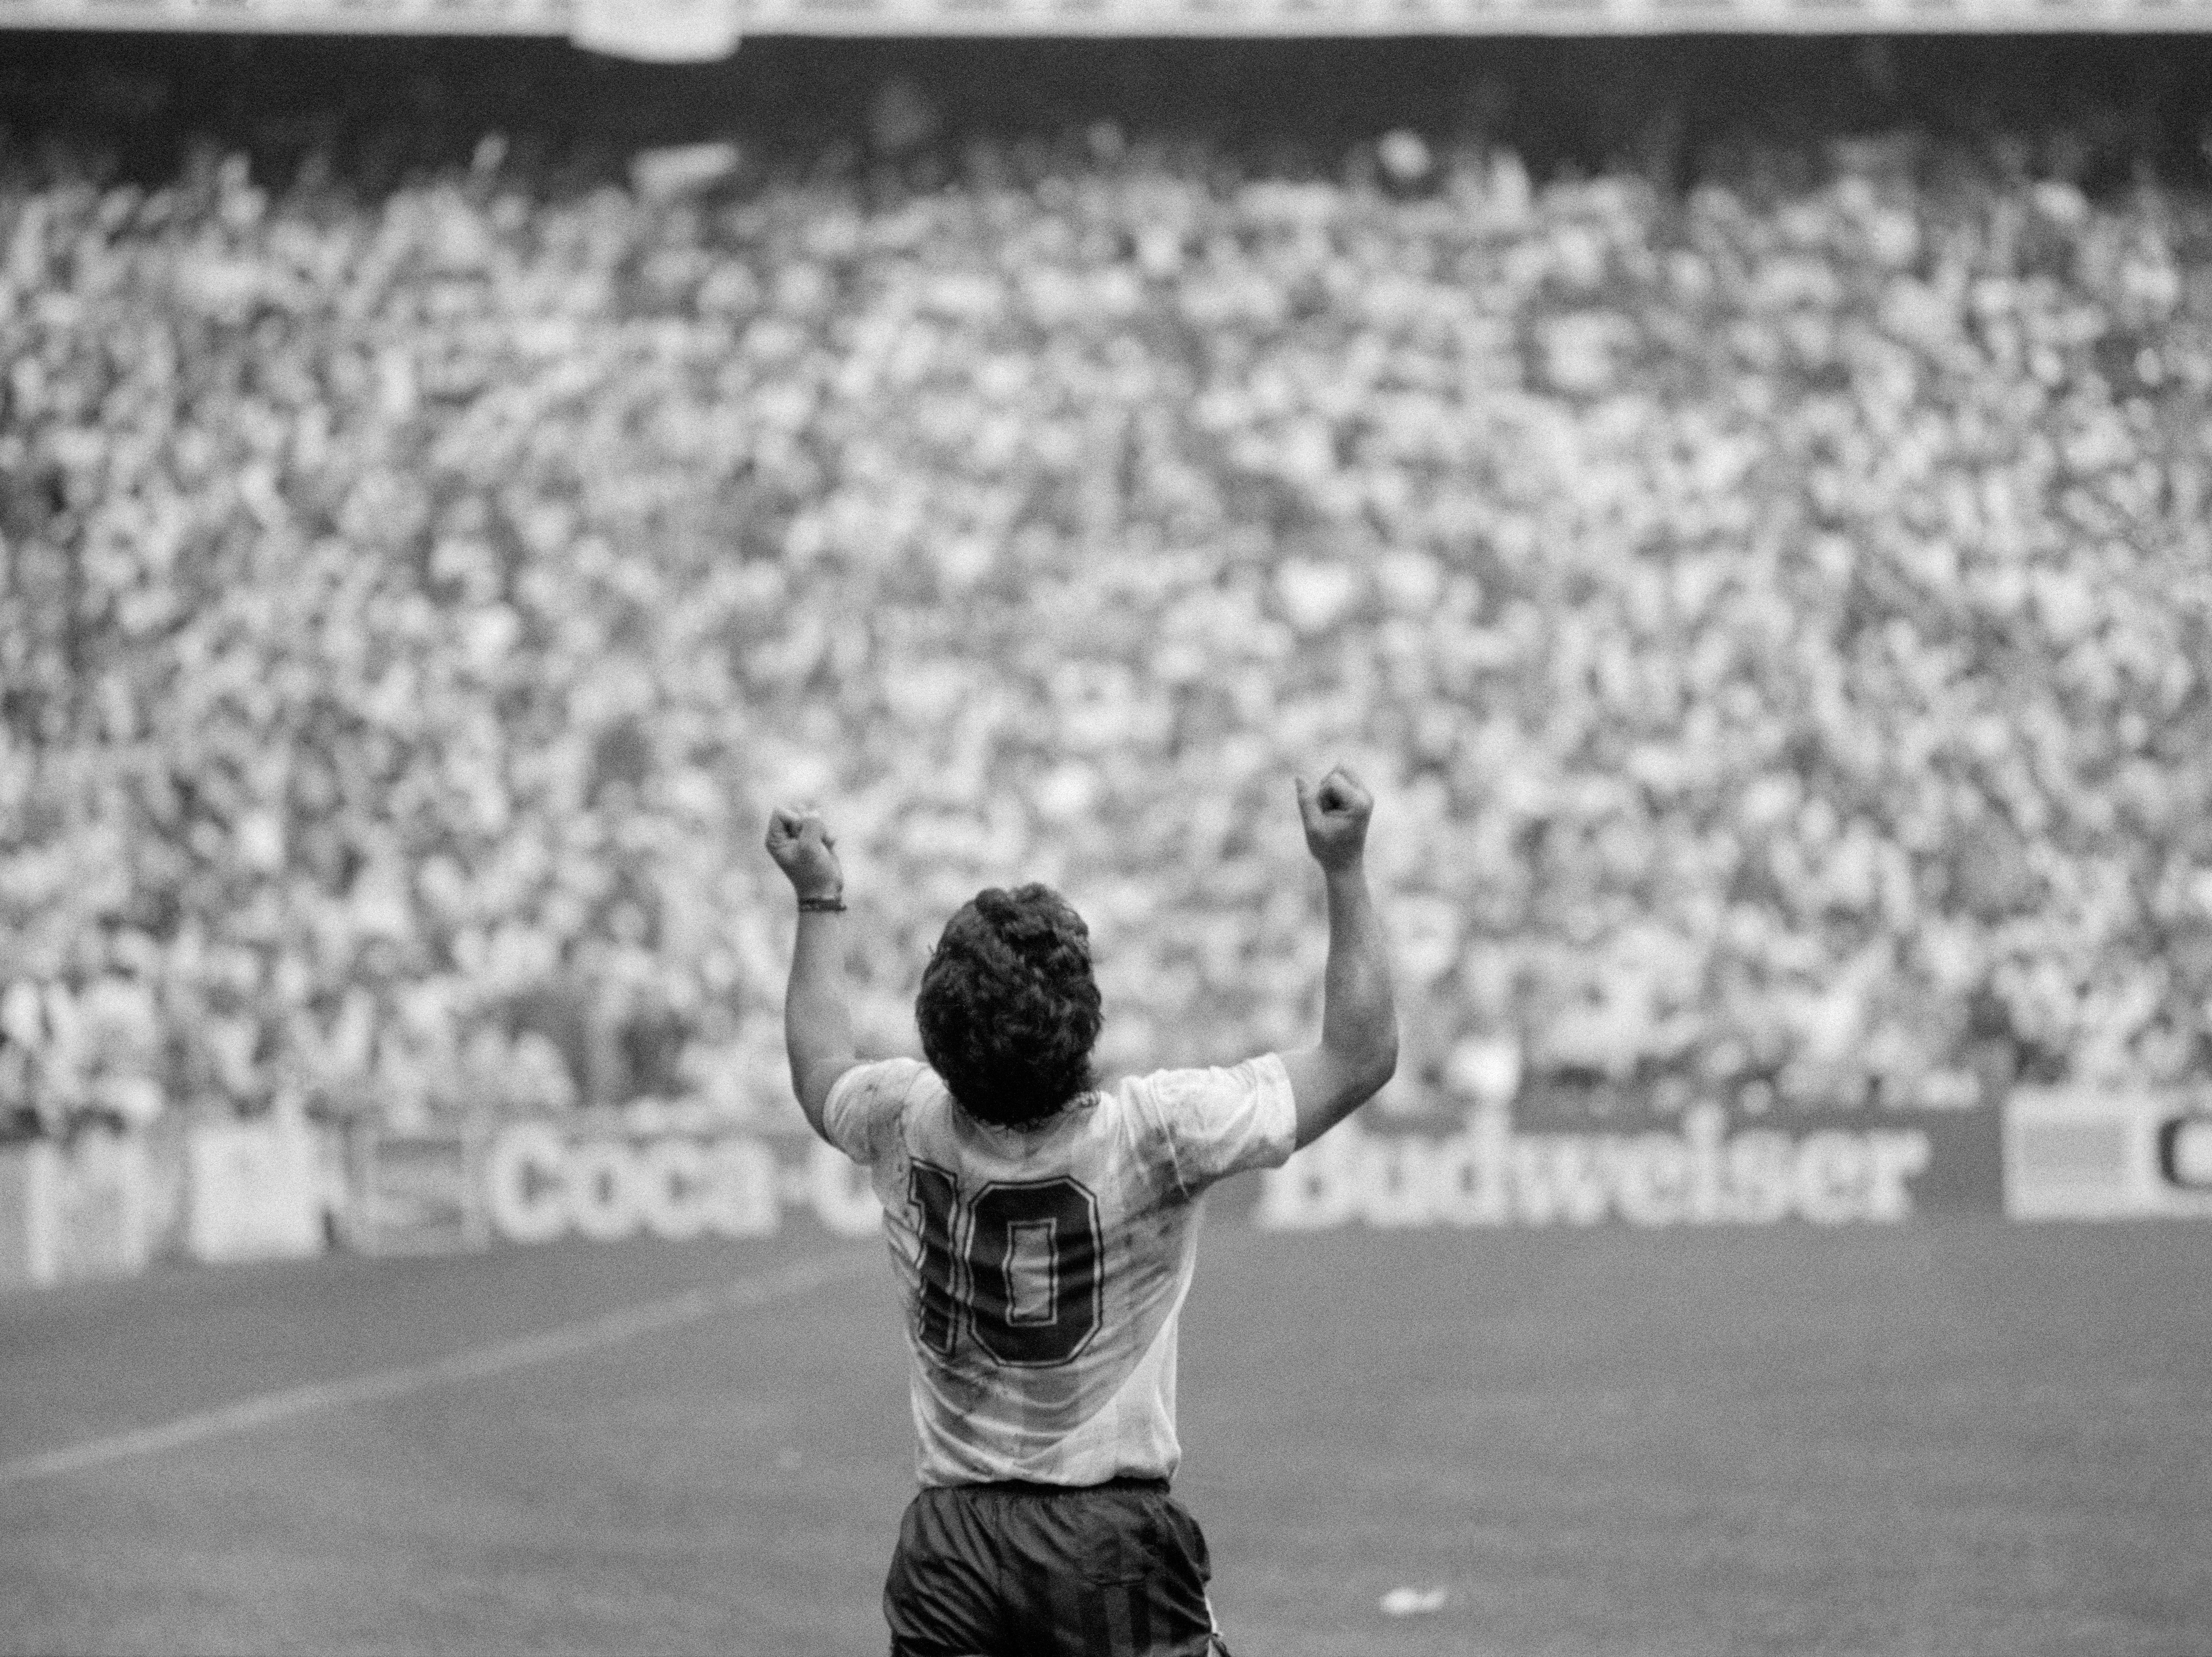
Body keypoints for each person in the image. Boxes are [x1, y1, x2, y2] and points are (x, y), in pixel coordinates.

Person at [765, 766, 1398, 1657]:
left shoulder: (901, 1117)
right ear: (1083, 1021)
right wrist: (1343, 865)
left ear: (936, 1022)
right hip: (1108, 1542)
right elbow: (1359, 1054)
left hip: (948, 1544)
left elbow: (815, 1065)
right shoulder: (1155, 1132)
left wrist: (818, 900)